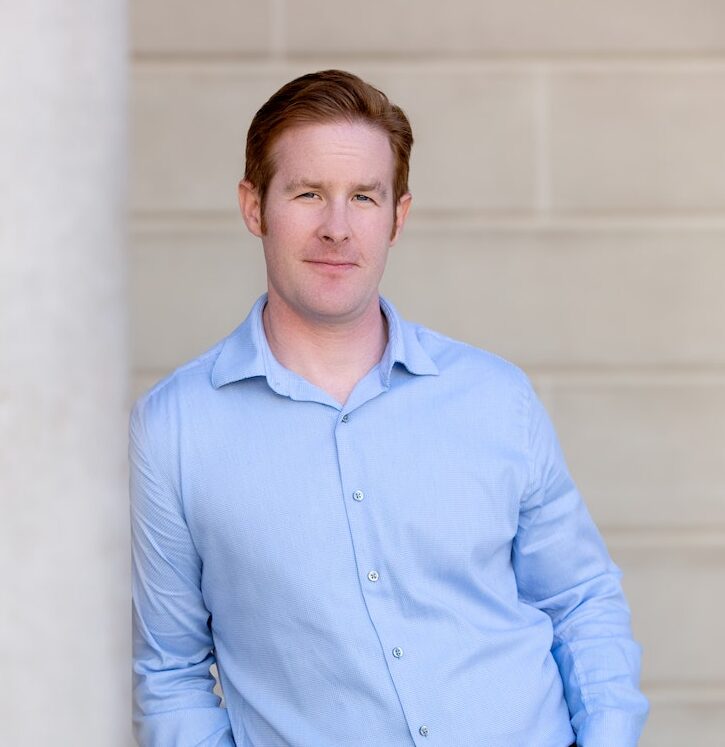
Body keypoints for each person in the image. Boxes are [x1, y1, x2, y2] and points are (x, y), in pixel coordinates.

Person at [130, 69, 648, 747]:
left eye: (363, 197)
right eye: (308, 193)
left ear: (397, 216)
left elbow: (579, 601)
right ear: (254, 207)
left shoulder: (495, 398)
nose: (336, 228)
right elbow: (170, 671)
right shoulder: (174, 428)